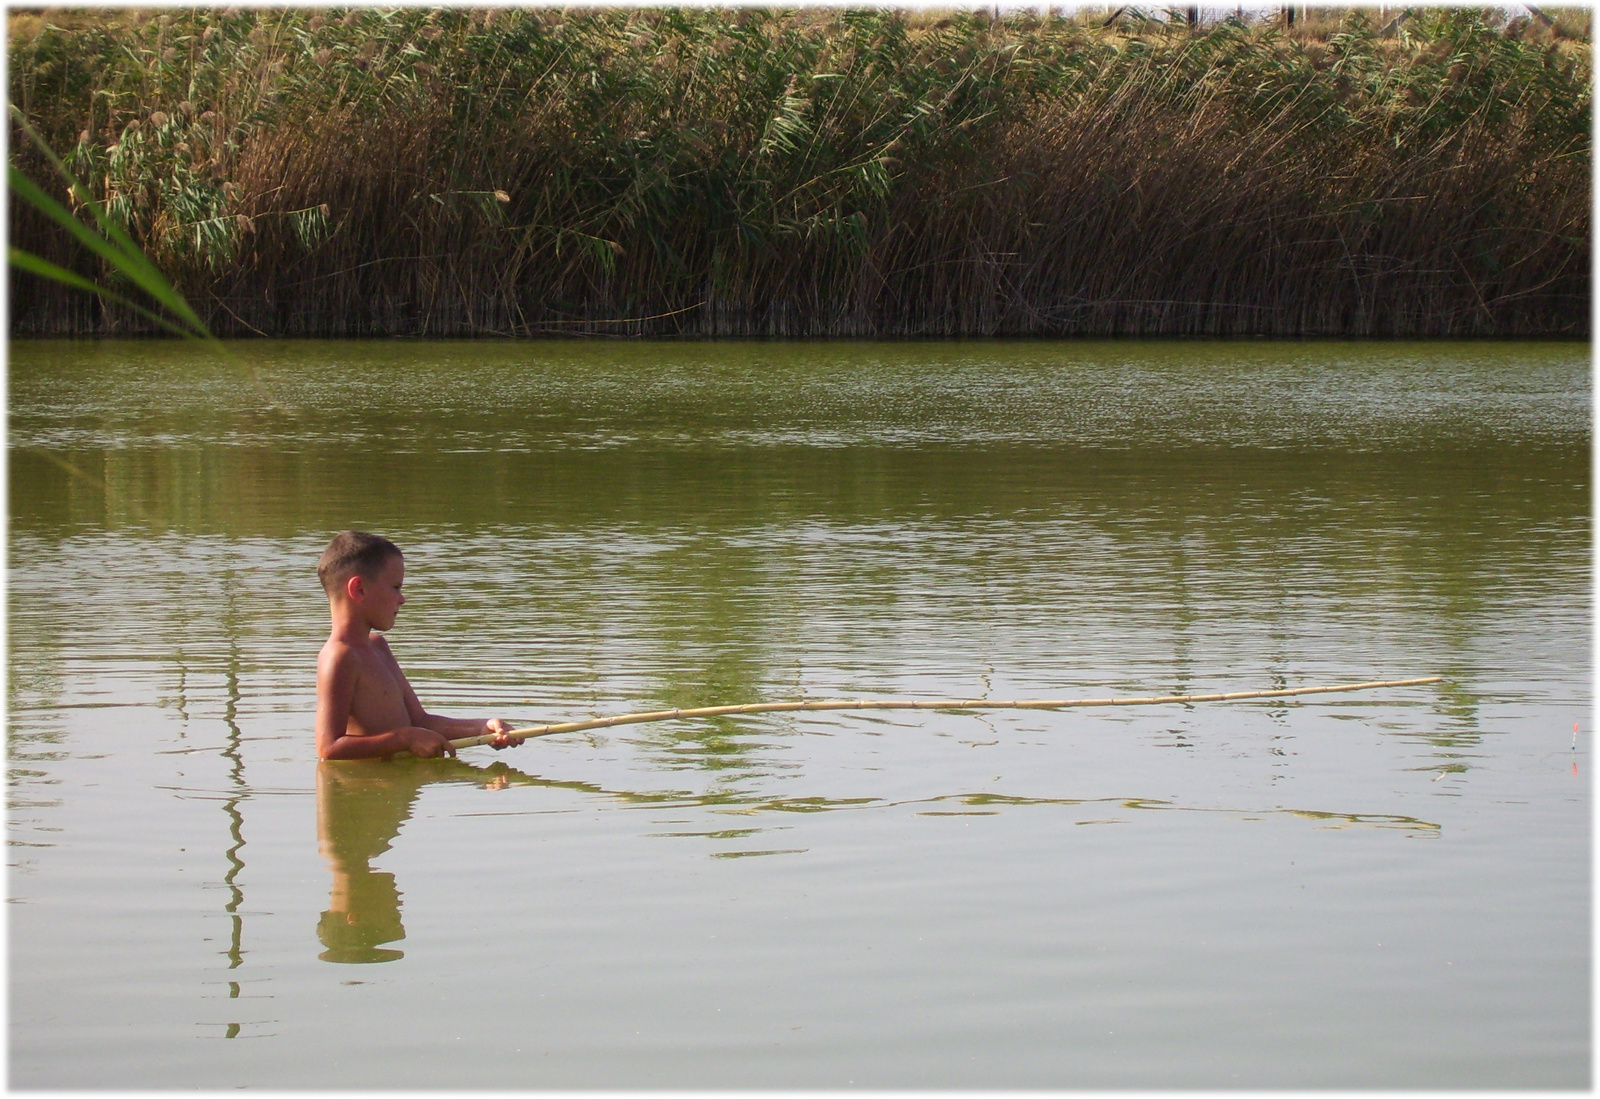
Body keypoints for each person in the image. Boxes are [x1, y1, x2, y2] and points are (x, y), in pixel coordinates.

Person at [315, 531, 524, 760]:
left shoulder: (378, 646)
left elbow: (419, 722)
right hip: (367, 786)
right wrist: (404, 739)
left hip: (398, 789)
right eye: (395, 587)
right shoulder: (340, 656)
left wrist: (482, 728)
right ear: (359, 589)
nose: (402, 599)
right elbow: (329, 748)